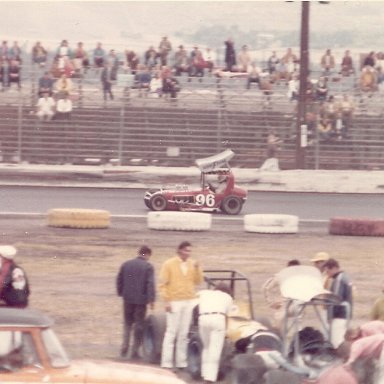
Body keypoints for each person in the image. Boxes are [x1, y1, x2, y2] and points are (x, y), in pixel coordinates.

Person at [159, 241, 203, 370]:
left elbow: (198, 281)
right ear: (179, 251)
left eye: (189, 251)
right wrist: (167, 301)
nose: (188, 253)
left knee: (183, 333)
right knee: (172, 332)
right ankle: (166, 362)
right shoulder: (169, 264)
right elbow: (162, 284)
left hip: (188, 300)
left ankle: (181, 362)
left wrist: (197, 268)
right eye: (185, 251)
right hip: (174, 301)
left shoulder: (192, 264)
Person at [116, 245, 155, 360]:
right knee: (139, 325)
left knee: (127, 324)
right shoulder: (148, 267)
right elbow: (150, 284)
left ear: (139, 253)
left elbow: (119, 279)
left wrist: (121, 292)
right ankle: (135, 351)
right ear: (148, 255)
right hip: (140, 301)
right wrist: (151, 299)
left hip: (127, 298)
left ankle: (124, 346)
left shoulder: (126, 264)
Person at [197, 282, 233, 384]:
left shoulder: (204, 293)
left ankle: (204, 373)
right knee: (215, 350)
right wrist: (226, 331)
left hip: (203, 318)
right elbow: (228, 316)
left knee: (206, 348)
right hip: (218, 318)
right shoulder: (228, 297)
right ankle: (210, 378)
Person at [323, 258, 353, 348]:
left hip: (338, 316)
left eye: (328, 271)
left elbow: (335, 300)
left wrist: (329, 316)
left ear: (334, 268)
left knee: (336, 342)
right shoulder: (346, 277)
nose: (328, 275)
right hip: (345, 315)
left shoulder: (339, 280)